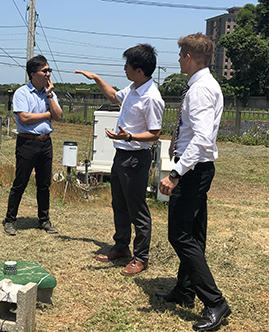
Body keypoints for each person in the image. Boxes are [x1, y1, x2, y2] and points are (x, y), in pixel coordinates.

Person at [157, 33, 231, 331]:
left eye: (179, 56)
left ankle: (215, 302)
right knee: (194, 234)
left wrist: (175, 174)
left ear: (188, 57)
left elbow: (200, 139)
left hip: (192, 171)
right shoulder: (205, 85)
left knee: (180, 235)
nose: (177, 60)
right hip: (199, 169)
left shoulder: (201, 90)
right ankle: (185, 291)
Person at [76, 44, 164, 275]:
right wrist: (96, 78)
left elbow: (155, 133)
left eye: (127, 65)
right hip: (121, 155)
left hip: (136, 157)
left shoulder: (151, 97)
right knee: (119, 203)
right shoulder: (134, 88)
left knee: (137, 208)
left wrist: (131, 136)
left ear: (139, 70)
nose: (124, 68)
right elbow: (114, 96)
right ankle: (122, 246)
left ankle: (141, 257)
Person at [3, 55, 63, 236]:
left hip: (45, 142)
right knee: (20, 182)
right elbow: (24, 118)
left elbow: (58, 116)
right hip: (27, 142)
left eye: (49, 70)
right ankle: (10, 220)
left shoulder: (49, 94)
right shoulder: (22, 93)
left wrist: (50, 95)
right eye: (44, 71)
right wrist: (46, 115)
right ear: (33, 74)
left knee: (44, 184)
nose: (48, 74)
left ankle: (44, 220)